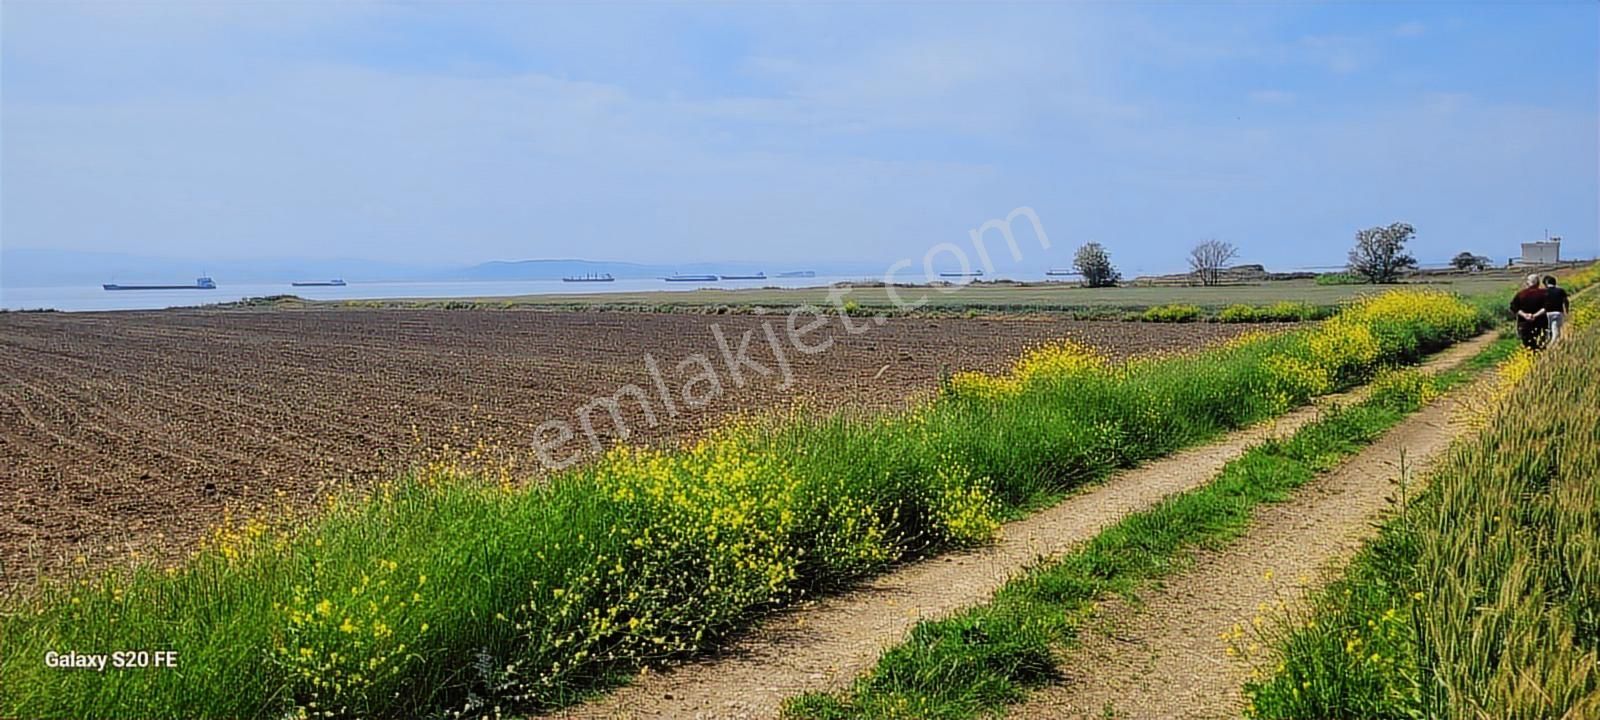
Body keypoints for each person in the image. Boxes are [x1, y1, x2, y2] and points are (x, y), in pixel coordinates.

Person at [1510, 273, 1548, 350]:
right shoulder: (1545, 293)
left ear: (1527, 283)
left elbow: (1514, 307)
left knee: (1528, 346)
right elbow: (1547, 307)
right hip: (1541, 323)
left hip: (1525, 324)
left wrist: (1525, 315)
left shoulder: (1521, 294)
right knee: (1540, 345)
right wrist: (1535, 315)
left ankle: (1529, 359)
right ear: (1538, 283)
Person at [1542, 275, 1570, 344]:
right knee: (1556, 331)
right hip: (1558, 313)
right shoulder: (1561, 291)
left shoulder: (1543, 292)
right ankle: (1553, 345)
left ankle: (1546, 344)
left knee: (1547, 331)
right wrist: (1566, 311)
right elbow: (1566, 301)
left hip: (1546, 314)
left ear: (1546, 283)